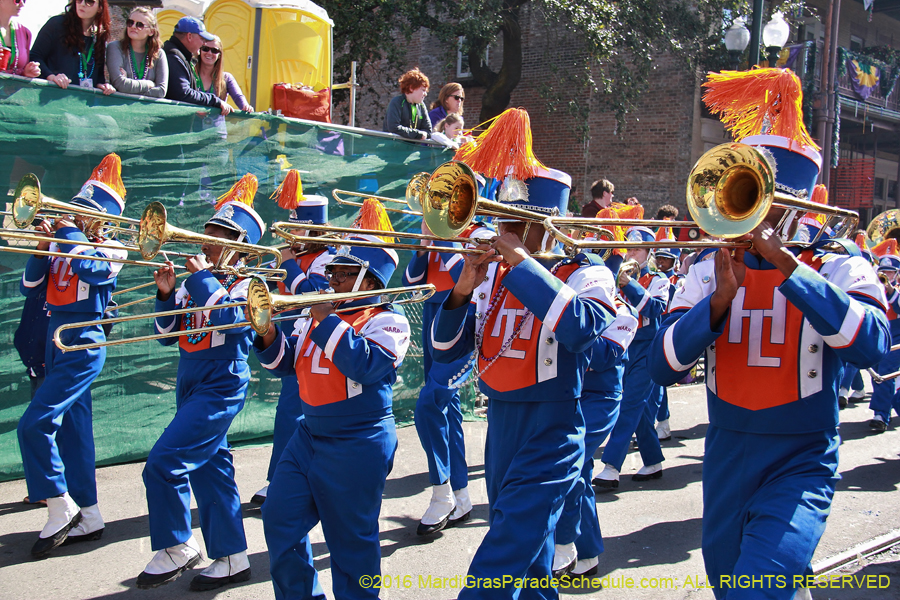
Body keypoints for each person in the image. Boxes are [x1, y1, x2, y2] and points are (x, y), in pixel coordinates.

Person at [650, 67, 891, 600]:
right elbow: (661, 367)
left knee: (757, 587)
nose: (756, 215)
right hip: (726, 451)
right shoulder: (709, 267)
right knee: (731, 582)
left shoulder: (837, 263)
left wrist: (789, 267)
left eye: (771, 198)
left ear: (800, 203)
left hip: (802, 456)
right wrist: (718, 300)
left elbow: (874, 345)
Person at [431, 107, 619, 600]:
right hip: (502, 423)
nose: (503, 231)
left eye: (517, 222)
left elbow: (581, 329)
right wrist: (463, 287)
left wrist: (520, 263)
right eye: (502, 220)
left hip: (553, 426)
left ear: (548, 224)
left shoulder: (588, 271)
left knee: (505, 549)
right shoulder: (491, 275)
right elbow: (445, 351)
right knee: (530, 563)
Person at [254, 237, 408, 600]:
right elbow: (285, 363)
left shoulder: (389, 319)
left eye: (345, 273)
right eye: (333, 271)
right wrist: (267, 331)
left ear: (370, 281)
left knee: (351, 544)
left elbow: (364, 365)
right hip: (308, 435)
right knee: (279, 519)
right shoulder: (317, 314)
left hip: (359, 440)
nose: (333, 278)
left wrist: (326, 318)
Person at [137, 175, 263, 590]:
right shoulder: (201, 282)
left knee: (164, 462)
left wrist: (202, 280)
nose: (204, 241)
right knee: (212, 470)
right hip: (190, 377)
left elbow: (232, 322)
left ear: (240, 244)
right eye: (207, 231)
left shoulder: (248, 284)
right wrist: (166, 294)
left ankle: (177, 545)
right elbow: (166, 334)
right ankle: (232, 556)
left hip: (221, 382)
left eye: (217, 235)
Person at [17, 154, 128, 558]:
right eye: (75, 209)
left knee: (34, 425)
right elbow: (30, 286)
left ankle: (59, 504)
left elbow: (90, 270)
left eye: (84, 212)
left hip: (82, 342)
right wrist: (43, 246)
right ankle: (90, 514)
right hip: (55, 339)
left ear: (103, 220)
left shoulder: (113, 248)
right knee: (74, 431)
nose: (75, 215)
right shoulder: (66, 241)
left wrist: (66, 232)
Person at [404, 218, 493, 536]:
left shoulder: (479, 233)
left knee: (429, 404)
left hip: (463, 319)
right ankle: (461, 495)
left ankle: (441, 493)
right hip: (434, 314)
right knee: (447, 412)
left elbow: (466, 276)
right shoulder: (437, 234)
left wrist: (447, 237)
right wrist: (423, 244)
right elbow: (412, 280)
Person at [251, 184, 334, 506]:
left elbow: (312, 295)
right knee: (289, 412)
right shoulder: (296, 257)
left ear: (314, 229)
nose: (291, 236)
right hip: (290, 339)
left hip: (316, 342)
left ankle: (284, 481)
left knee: (296, 413)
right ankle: (285, 478)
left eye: (297, 229)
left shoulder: (328, 257)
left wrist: (288, 265)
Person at [553, 300, 637, 578]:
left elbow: (604, 356)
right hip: (569, 394)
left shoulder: (624, 312)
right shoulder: (573, 305)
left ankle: (564, 543)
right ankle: (587, 553)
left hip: (601, 399)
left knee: (567, 463)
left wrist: (571, 326)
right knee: (580, 473)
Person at [593, 227, 670, 489]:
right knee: (640, 410)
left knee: (628, 405)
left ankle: (611, 466)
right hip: (622, 346)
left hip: (647, 348)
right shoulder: (616, 275)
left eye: (638, 249)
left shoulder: (658, 279)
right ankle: (653, 460)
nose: (632, 254)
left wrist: (630, 285)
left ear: (649, 253)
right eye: (630, 248)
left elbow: (656, 309)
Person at [30, 0, 115, 94]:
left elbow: (98, 74)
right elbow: (35, 56)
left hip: (83, 99)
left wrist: (103, 86)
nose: (82, 4)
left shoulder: (99, 36)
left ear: (100, 8)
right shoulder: (56, 24)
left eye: (89, 1)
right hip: (52, 95)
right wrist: (51, 77)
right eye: (79, 0)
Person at [163, 16, 232, 115]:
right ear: (189, 36)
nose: (204, 43)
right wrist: (215, 101)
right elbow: (183, 94)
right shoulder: (173, 55)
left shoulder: (180, 55)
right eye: (202, 39)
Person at [867, 245, 900, 433]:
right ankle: (883, 409)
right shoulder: (874, 286)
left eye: (890, 272)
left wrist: (891, 291)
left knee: (887, 371)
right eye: (883, 271)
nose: (886, 275)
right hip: (880, 332)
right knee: (877, 372)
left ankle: (880, 415)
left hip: (897, 334)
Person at [105, 7, 167, 98]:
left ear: (151, 31)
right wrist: (149, 84)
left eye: (139, 25)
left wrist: (128, 88)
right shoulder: (115, 47)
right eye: (130, 22)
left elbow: (161, 91)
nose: (133, 26)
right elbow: (120, 84)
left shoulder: (159, 54)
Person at [196, 35, 253, 112]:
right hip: (192, 119)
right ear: (200, 51)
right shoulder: (190, 74)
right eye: (205, 49)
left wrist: (246, 107)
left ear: (219, 55)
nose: (209, 53)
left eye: (214, 50)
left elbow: (238, 97)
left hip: (216, 120)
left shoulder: (226, 78)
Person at [383, 67, 432, 140]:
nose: (425, 94)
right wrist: (418, 134)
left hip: (412, 147)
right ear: (411, 88)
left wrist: (419, 134)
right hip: (393, 146)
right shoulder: (396, 102)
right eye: (423, 90)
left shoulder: (421, 106)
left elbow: (428, 131)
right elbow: (393, 127)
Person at [0, 0, 39, 76]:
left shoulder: (25, 33)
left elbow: (21, 70)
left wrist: (26, 72)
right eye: (17, 0)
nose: (22, 4)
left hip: (11, 84)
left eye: (24, 0)